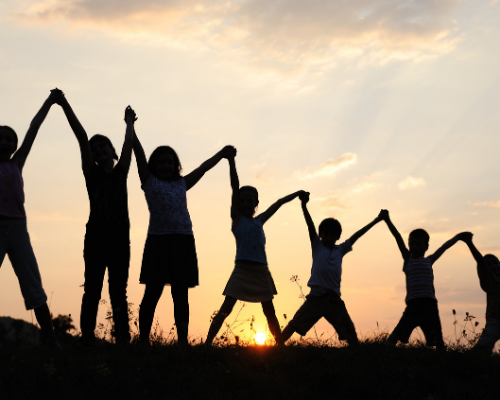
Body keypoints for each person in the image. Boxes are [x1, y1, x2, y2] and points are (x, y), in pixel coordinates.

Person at [132, 128, 235, 346]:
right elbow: (139, 155)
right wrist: (131, 126)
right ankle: (142, 341)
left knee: (180, 294)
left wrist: (222, 154)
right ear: (153, 166)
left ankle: (182, 342)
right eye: (161, 162)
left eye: (170, 162)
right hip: (158, 241)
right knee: (152, 292)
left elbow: (203, 168)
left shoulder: (182, 184)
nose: (166, 165)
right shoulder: (149, 182)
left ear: (176, 166)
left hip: (183, 241)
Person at [54, 90, 135, 344]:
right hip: (96, 240)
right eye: (94, 148)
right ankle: (87, 339)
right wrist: (64, 103)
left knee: (118, 293)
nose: (98, 150)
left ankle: (123, 339)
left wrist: (130, 124)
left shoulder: (121, 172)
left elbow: (128, 145)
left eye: (103, 146)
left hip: (121, 241)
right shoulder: (91, 173)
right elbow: (81, 136)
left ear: (112, 152)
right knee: (92, 290)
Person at [205, 151, 307, 346]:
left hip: (261, 272)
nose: (244, 203)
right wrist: (231, 161)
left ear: (256, 204)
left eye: (249, 200)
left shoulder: (259, 221)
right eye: (241, 200)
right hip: (242, 271)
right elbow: (234, 187)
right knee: (225, 308)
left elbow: (278, 203)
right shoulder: (237, 220)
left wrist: (298, 194)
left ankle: (280, 346)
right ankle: (207, 343)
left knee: (269, 311)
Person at [0, 90, 60, 349]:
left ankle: (49, 338)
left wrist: (49, 102)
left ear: (14, 146)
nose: (3, 142)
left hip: (18, 229)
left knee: (33, 283)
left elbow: (34, 128)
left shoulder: (17, 163)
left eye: (8, 139)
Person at [282, 199, 385, 345]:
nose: (330, 238)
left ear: (338, 237)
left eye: (333, 235)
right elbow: (310, 225)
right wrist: (304, 206)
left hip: (333, 300)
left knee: (349, 330)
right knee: (295, 323)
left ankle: (357, 353)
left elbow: (358, 235)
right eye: (326, 234)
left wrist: (377, 220)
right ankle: (277, 345)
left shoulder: (340, 249)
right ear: (321, 235)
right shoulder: (317, 246)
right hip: (315, 299)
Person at [382, 210, 469, 348]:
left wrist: (458, 237)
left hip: (430, 304)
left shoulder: (429, 260)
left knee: (436, 337)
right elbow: (398, 237)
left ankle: (441, 358)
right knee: (398, 332)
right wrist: (387, 220)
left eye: (419, 244)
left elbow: (444, 247)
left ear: (426, 246)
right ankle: (382, 351)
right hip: (414, 304)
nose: (414, 247)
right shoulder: (408, 259)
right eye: (412, 244)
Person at [462, 233, 500, 352]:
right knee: (482, 348)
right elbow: (480, 261)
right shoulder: (489, 281)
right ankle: (468, 365)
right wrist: (469, 243)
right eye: (489, 265)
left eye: (495, 263)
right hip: (496, 319)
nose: (493, 266)